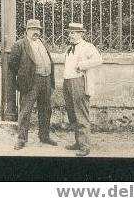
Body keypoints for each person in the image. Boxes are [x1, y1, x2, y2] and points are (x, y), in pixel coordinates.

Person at [9, 19, 57, 150]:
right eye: (32, 29)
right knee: (26, 111)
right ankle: (21, 139)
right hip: (31, 82)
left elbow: (49, 61)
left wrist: (51, 80)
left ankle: (44, 136)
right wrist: (23, 77)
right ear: (26, 31)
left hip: (46, 80)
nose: (36, 32)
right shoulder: (20, 45)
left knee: (46, 109)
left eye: (38, 30)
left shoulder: (43, 43)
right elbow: (12, 64)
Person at [62, 22, 103, 157]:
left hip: (79, 82)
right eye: (69, 32)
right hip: (68, 82)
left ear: (81, 34)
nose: (70, 35)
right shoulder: (69, 48)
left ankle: (85, 147)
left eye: (73, 33)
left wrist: (81, 65)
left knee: (81, 114)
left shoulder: (87, 46)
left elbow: (98, 60)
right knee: (72, 114)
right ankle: (78, 142)